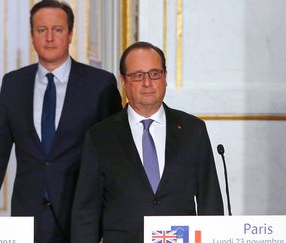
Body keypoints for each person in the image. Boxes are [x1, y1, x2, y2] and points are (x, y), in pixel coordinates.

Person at [0, 1, 122, 243]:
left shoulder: (100, 85)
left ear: (70, 34)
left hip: (80, 221)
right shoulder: (13, 84)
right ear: (32, 36)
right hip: (27, 220)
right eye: (42, 30)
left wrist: (111, 224)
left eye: (58, 29)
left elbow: (114, 160)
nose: (50, 37)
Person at [71, 41, 224, 243]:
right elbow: (86, 214)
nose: (147, 83)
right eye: (137, 75)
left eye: (154, 74)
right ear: (123, 81)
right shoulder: (100, 136)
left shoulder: (193, 130)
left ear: (165, 77)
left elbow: (210, 203)